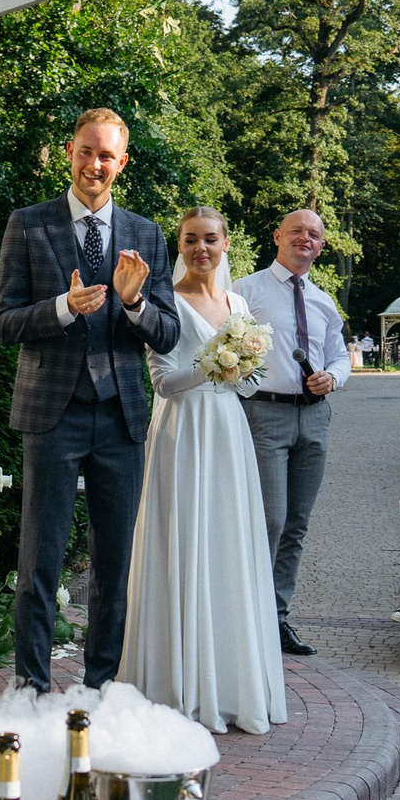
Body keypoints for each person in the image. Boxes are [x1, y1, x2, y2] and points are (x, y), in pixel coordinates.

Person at [0, 110, 182, 692]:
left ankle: (101, 686)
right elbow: (2, 323)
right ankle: (30, 685)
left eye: (107, 156)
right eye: (86, 151)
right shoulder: (29, 225)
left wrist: (133, 305)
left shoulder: (147, 234)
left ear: (122, 164)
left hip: (122, 416)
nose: (94, 164)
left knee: (112, 567)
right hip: (53, 415)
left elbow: (169, 332)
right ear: (68, 152)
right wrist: (60, 308)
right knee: (41, 561)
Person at [119, 208, 286, 732]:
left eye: (210, 239)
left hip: (228, 433)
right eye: (190, 240)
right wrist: (215, 362)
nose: (201, 249)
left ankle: (231, 682)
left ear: (226, 241)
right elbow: (165, 382)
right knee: (184, 541)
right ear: (180, 244)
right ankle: (177, 683)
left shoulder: (237, 303)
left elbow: (250, 386)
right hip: (181, 433)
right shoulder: (165, 300)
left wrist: (242, 366)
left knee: (227, 545)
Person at [235, 209, 352, 657]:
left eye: (315, 234)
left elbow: (339, 357)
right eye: (298, 231)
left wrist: (333, 378)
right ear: (278, 236)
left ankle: (277, 618)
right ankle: (250, 621)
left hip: (314, 418)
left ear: (322, 246)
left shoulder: (324, 300)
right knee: (269, 521)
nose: (306, 238)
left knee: (297, 525)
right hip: (265, 415)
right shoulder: (246, 292)